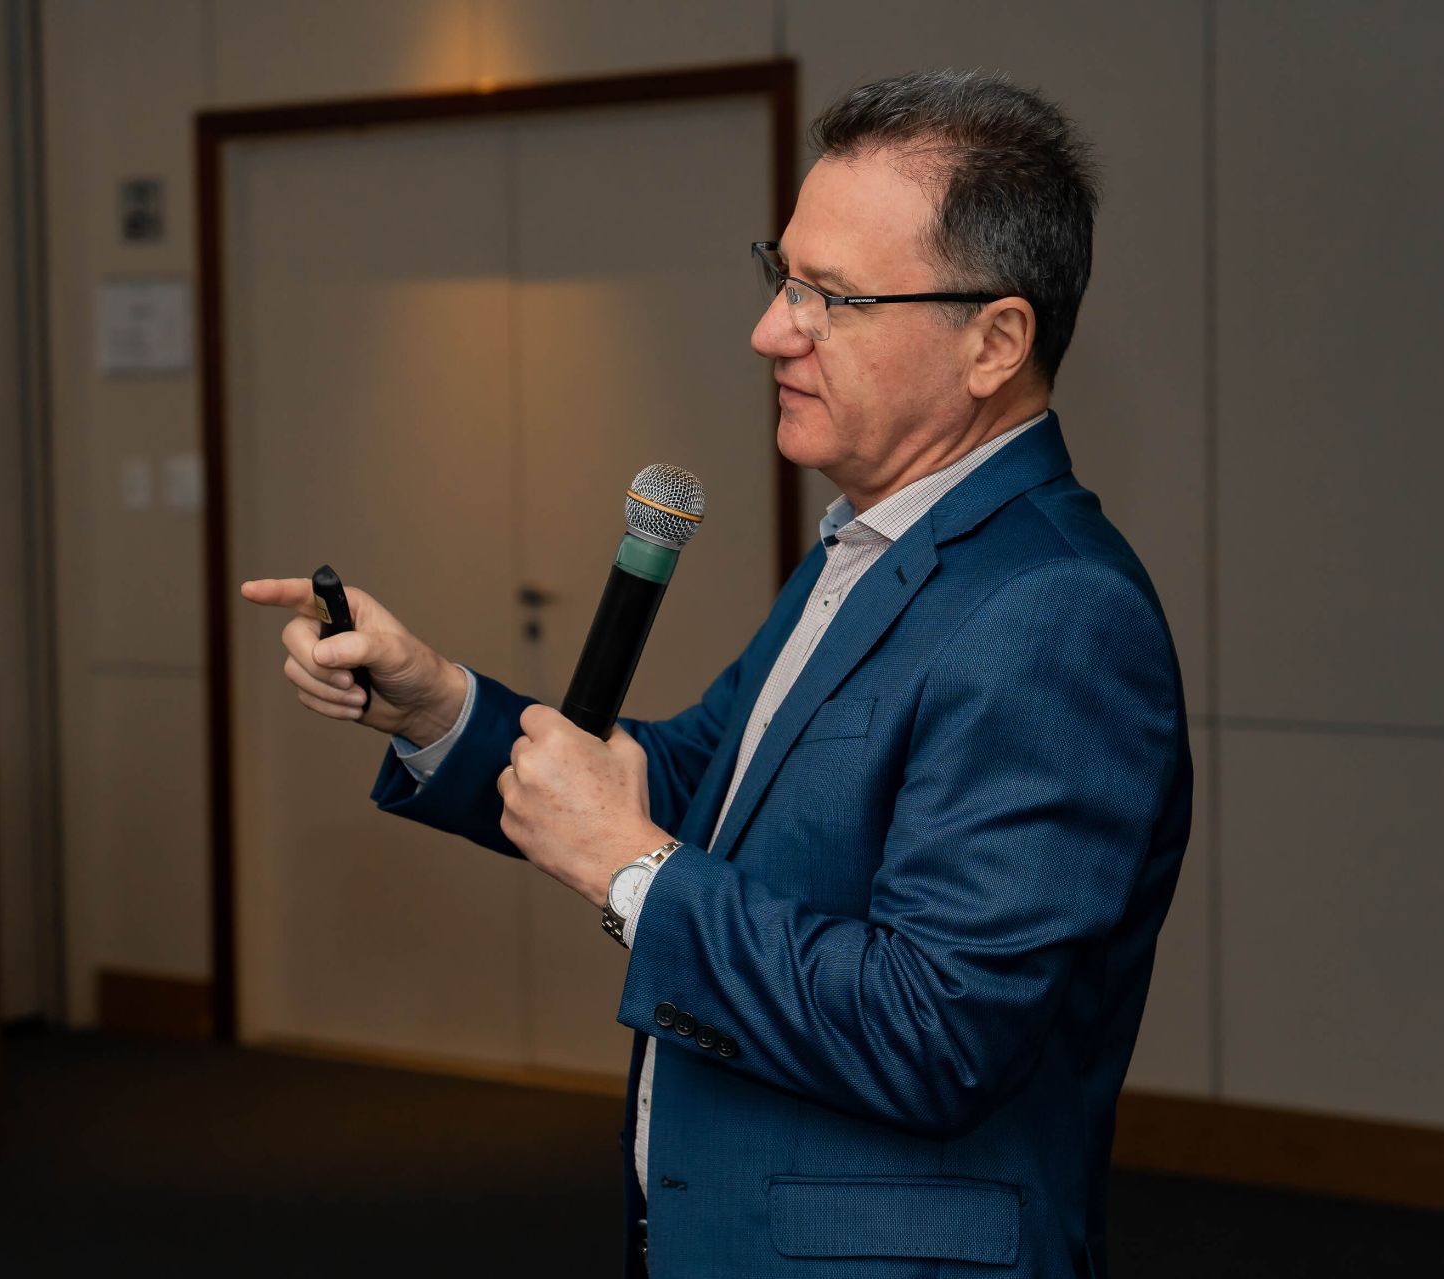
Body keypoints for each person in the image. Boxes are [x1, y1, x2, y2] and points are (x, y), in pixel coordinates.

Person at [243, 69, 1190, 1279]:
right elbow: (699, 783)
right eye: (781, 277)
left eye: (833, 297)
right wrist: (437, 702)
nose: (772, 330)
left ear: (994, 342)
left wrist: (631, 868)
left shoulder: (1054, 612)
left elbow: (937, 1031)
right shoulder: (869, 547)